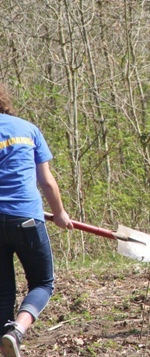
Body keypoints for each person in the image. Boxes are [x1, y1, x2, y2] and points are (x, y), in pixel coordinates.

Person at [0, 83, 73, 357]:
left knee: (3, 291)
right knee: (43, 283)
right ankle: (17, 330)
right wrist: (60, 213)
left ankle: (4, 342)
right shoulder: (28, 129)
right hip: (26, 218)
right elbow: (47, 181)